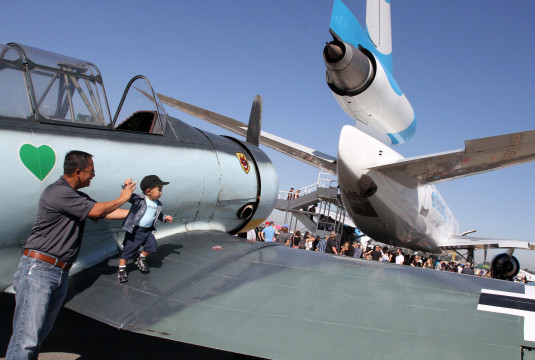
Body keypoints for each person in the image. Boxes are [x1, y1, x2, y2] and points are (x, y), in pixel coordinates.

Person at [6, 150, 136, 360]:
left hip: (58, 272)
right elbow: (96, 211)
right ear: (78, 172)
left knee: (38, 336)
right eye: (91, 171)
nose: (93, 175)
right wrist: (123, 198)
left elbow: (104, 212)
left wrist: (139, 215)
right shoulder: (57, 192)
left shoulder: (76, 197)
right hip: (39, 270)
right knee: (26, 339)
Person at [117, 175, 173, 283]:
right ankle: (121, 269)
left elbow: (158, 214)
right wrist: (126, 187)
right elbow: (127, 196)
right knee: (128, 250)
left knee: (152, 246)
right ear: (148, 191)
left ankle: (140, 257)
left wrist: (165, 217)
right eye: (159, 190)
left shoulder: (157, 204)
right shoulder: (140, 199)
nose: (161, 192)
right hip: (135, 230)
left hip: (147, 231)